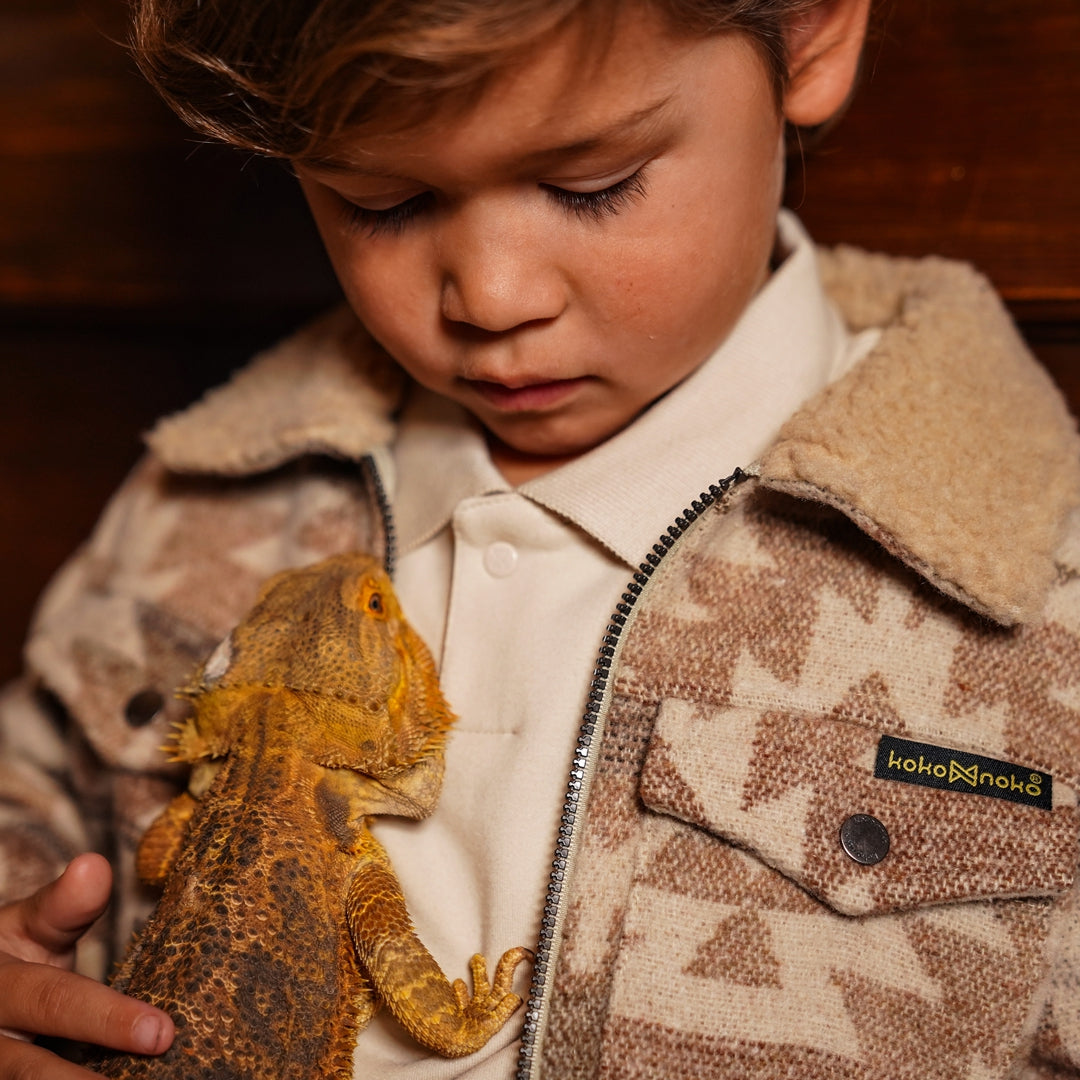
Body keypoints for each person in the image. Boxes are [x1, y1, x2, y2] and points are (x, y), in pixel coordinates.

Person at [2, 0, 1079, 1076]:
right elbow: (33, 775)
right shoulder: (209, 490)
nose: (493, 298)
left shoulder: (1040, 581)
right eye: (381, 200)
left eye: (590, 185)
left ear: (806, 34)